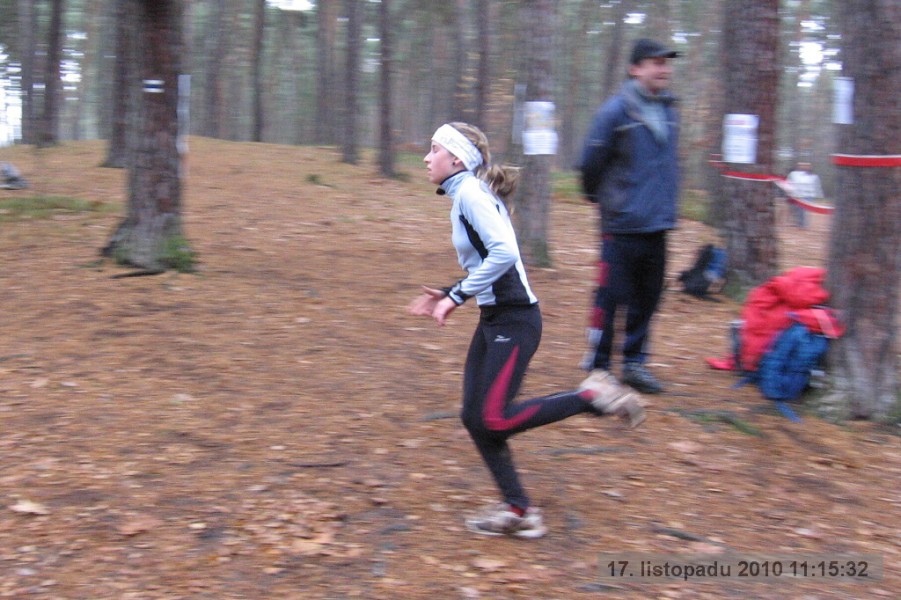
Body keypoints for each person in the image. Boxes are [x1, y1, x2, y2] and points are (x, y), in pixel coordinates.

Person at [409, 122, 645, 539]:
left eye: (434, 149)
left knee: (494, 418)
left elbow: (504, 252)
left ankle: (591, 396)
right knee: (475, 417)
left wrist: (456, 296)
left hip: (516, 320)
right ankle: (518, 509)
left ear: (457, 159)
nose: (427, 158)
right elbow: (489, 259)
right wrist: (449, 291)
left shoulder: (470, 194)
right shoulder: (467, 193)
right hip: (496, 319)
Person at [577, 38, 681, 395]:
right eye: (656, 62)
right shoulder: (615, 111)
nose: (664, 69)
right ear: (635, 68)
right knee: (610, 298)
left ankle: (635, 363)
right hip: (621, 226)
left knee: (647, 298)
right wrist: (604, 201)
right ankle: (599, 365)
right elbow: (590, 163)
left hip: (657, 224)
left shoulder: (669, 110)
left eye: (667, 63)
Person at [784, 162, 823, 228]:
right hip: (799, 195)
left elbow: (815, 186)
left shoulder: (812, 176)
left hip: (808, 195)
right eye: (802, 166)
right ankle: (799, 223)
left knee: (805, 210)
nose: (803, 167)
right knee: (799, 209)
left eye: (806, 166)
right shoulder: (795, 175)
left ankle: (804, 224)